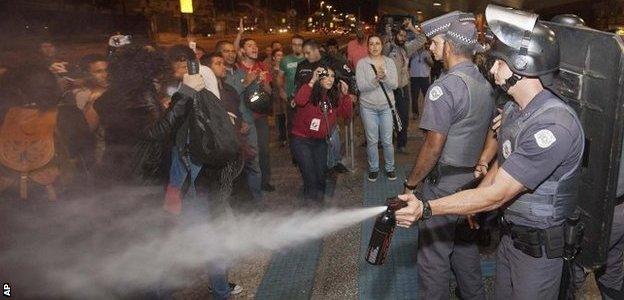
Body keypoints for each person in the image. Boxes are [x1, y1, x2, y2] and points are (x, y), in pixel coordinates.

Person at [395, 5, 585, 299]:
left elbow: (499, 193)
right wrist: (473, 203)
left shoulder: (552, 126)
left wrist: (427, 208)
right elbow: (502, 164)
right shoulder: (515, 109)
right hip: (510, 240)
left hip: (539, 251)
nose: (492, 69)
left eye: (499, 63)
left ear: (521, 66)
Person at [400, 14, 494, 299]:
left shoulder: (445, 87)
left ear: (450, 46)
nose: (431, 47)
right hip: (470, 184)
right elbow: (492, 128)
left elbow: (433, 145)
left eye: (436, 42)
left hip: (441, 186)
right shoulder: (483, 83)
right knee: (465, 253)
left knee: (433, 259)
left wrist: (411, 184)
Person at [93, 45, 190, 187]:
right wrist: (185, 94)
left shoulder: (117, 93)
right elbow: (157, 131)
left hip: (121, 169)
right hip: (143, 174)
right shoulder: (139, 95)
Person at [0, 64, 93, 200]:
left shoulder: (3, 116)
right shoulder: (69, 114)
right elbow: (87, 155)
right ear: (52, 87)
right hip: (61, 201)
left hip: (8, 203)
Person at [291, 66, 352, 204]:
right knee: (310, 178)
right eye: (326, 76)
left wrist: (346, 95)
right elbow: (299, 101)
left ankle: (318, 206)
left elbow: (347, 115)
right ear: (319, 77)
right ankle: (312, 212)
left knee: (320, 177)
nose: (330, 79)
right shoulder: (309, 90)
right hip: (302, 141)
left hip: (320, 142)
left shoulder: (333, 96)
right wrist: (312, 80)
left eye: (332, 76)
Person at [295, 39, 355, 174]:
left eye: (308, 53)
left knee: (332, 141)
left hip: (329, 111)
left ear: (316, 50)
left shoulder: (332, 61)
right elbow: (299, 97)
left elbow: (346, 113)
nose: (305, 56)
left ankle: (334, 163)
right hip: (309, 119)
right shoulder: (303, 67)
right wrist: (311, 83)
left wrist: (347, 95)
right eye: (304, 53)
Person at [216, 40, 264, 203]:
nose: (230, 54)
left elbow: (252, 97)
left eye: (232, 51)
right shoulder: (218, 75)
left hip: (248, 123)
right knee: (233, 167)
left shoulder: (240, 72)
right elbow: (228, 96)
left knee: (253, 163)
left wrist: (257, 84)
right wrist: (246, 83)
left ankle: (257, 202)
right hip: (230, 127)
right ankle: (236, 203)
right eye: (226, 51)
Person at [356, 35, 398, 182]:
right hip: (368, 107)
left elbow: (395, 85)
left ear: (382, 46)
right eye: (371, 44)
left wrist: (384, 77)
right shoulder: (362, 63)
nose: (374, 47)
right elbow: (361, 87)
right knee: (372, 140)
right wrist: (376, 80)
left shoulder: (389, 62)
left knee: (387, 141)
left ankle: (390, 168)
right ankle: (373, 168)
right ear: (368, 47)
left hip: (386, 107)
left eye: (377, 43)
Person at [383, 19, 427, 154]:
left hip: (403, 89)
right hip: (389, 90)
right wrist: (388, 35)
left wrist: (412, 27)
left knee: (403, 118)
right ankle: (388, 144)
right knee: (388, 119)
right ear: (395, 36)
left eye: (405, 36)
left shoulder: (406, 49)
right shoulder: (388, 48)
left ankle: (401, 144)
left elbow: (422, 39)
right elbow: (381, 51)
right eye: (401, 35)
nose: (403, 38)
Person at [238, 37, 274, 193]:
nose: (254, 48)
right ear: (242, 51)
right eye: (249, 45)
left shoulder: (262, 67)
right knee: (248, 152)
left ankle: (264, 181)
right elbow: (234, 92)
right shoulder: (237, 68)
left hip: (260, 116)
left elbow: (270, 92)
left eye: (255, 45)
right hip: (244, 117)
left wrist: (263, 83)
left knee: (264, 150)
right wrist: (246, 81)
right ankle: (248, 184)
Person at [270, 49, 288, 147]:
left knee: (287, 117)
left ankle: (287, 136)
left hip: (286, 96)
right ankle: (282, 137)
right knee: (280, 118)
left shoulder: (285, 68)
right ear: (274, 57)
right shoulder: (272, 70)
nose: (280, 57)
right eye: (278, 55)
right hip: (277, 97)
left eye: (281, 55)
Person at [409, 47, 433, 119]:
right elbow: (407, 64)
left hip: (424, 78)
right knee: (414, 97)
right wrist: (410, 59)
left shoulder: (426, 53)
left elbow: (432, 64)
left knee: (427, 96)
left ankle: (428, 112)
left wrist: (427, 61)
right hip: (414, 78)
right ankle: (415, 113)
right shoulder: (412, 52)